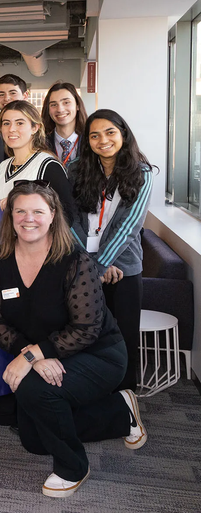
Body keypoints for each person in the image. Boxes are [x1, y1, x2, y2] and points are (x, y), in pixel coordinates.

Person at [0, 182, 145, 498]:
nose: (29, 219)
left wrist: (32, 356)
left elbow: (87, 329)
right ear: (11, 217)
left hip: (97, 353)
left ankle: (72, 467)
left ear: (53, 215)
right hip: (44, 351)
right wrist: (31, 353)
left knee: (33, 390)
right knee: (33, 439)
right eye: (21, 211)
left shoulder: (75, 261)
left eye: (38, 211)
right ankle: (119, 411)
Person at [69, 109, 154, 392]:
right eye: (94, 135)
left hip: (123, 269)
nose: (102, 140)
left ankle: (125, 396)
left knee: (123, 337)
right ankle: (90, 392)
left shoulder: (142, 174)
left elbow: (129, 226)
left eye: (110, 132)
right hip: (82, 264)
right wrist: (90, 264)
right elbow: (68, 220)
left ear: (123, 135)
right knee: (83, 334)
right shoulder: (76, 169)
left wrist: (100, 265)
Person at [0, 100, 75, 221]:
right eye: (6, 123)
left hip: (32, 239)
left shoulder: (47, 165)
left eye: (19, 123)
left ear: (35, 128)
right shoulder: (3, 166)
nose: (11, 129)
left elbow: (67, 217)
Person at [42, 82, 88, 169]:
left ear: (77, 105)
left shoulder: (90, 141)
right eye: (54, 104)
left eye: (66, 102)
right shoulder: (41, 144)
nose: (60, 109)